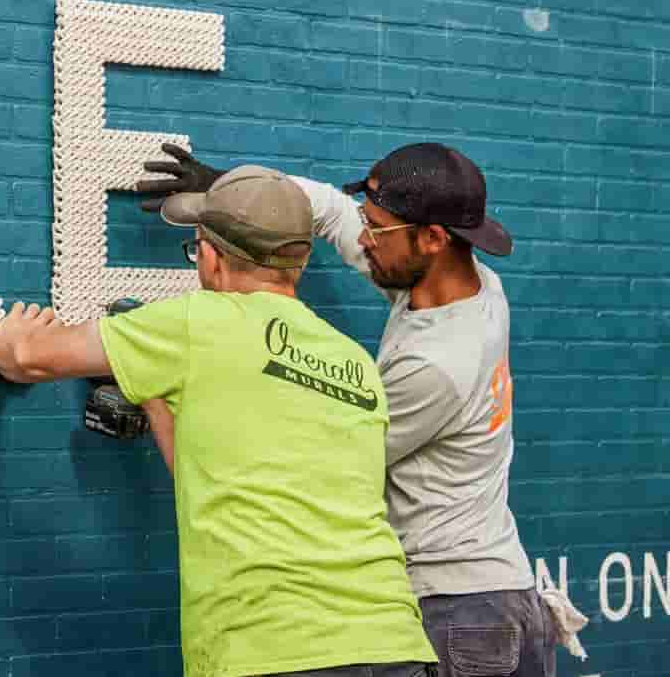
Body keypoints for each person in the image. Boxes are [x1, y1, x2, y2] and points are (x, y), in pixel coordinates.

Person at [0, 165, 437, 677]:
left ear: (209, 257)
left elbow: (24, 358)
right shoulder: (355, 362)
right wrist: (153, 386)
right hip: (394, 642)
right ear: (300, 260)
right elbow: (209, 472)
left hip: (272, 649)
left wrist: (12, 333)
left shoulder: (194, 322)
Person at [137, 143, 557, 677]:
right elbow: (334, 213)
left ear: (433, 238)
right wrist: (238, 193)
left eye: (376, 230)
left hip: (458, 614)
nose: (362, 239)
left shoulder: (438, 365)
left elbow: (329, 463)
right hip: (487, 601)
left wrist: (170, 401)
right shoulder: (466, 285)